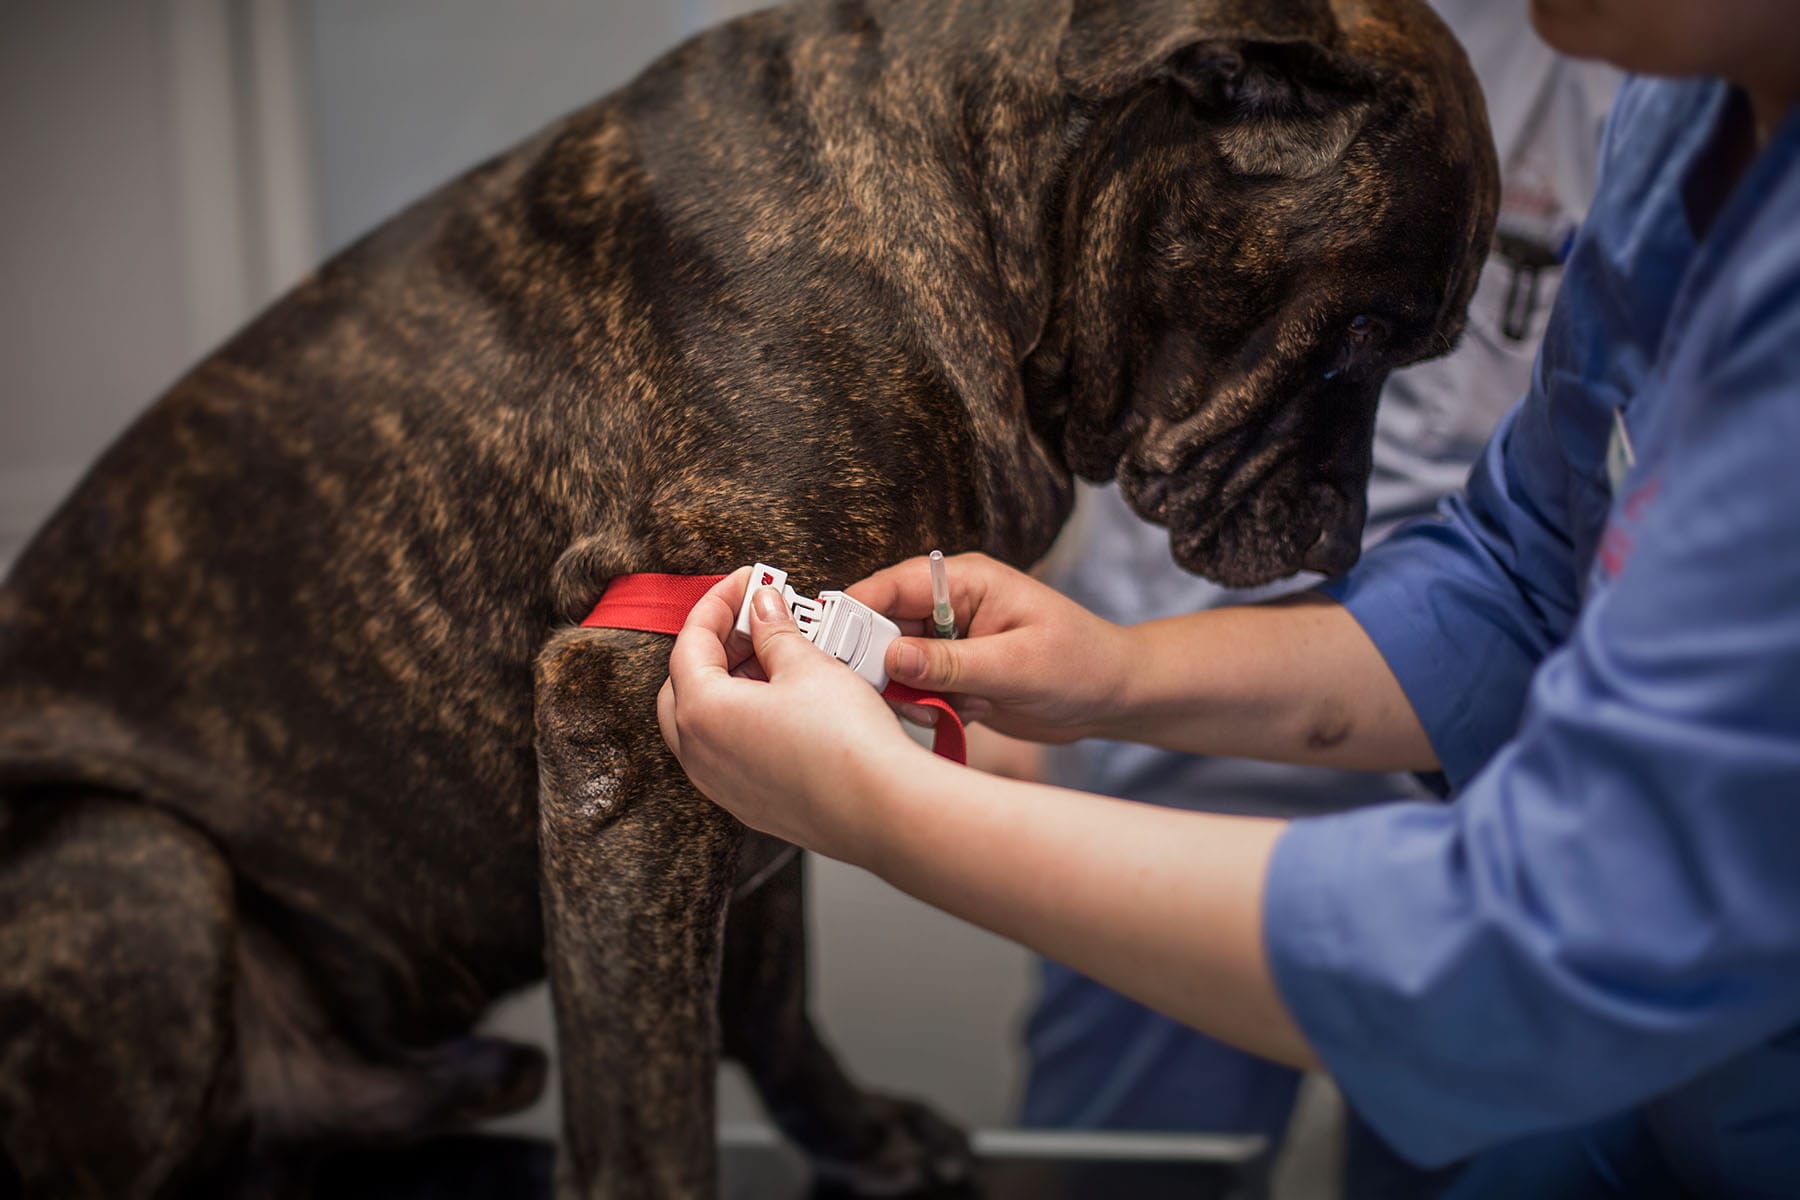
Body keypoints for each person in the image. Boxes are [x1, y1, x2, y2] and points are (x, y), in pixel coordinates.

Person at [658, 0, 1800, 1192]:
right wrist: (1124, 676)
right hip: (1641, 1119)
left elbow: (1542, 951)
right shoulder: (1685, 119)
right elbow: (1524, 580)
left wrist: (879, 810)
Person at [1017, 4, 1618, 1189]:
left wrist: (873, 813)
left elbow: (1536, 563)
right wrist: (1101, 684)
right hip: (1187, 703)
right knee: (1127, 1159)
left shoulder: (1660, 79)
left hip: (1519, 746)